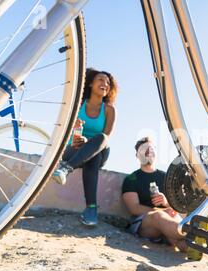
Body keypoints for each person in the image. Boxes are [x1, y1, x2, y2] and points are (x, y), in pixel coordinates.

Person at [51, 68, 118, 227]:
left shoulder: (109, 110)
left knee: (100, 139)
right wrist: (73, 129)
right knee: (92, 158)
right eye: (101, 80)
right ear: (90, 84)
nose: (105, 84)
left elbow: (106, 138)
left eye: (108, 83)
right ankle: (91, 209)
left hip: (99, 150)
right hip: (73, 150)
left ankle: (66, 169)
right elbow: (62, 129)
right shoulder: (78, 104)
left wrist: (87, 141)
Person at [121, 137, 188, 252]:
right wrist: (161, 211)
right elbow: (134, 208)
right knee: (158, 216)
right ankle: (193, 234)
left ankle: (192, 246)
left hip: (168, 222)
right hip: (144, 224)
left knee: (179, 242)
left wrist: (166, 202)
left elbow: (178, 207)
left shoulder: (167, 177)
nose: (148, 151)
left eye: (151, 148)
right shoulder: (131, 179)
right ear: (137, 155)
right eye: (143, 150)